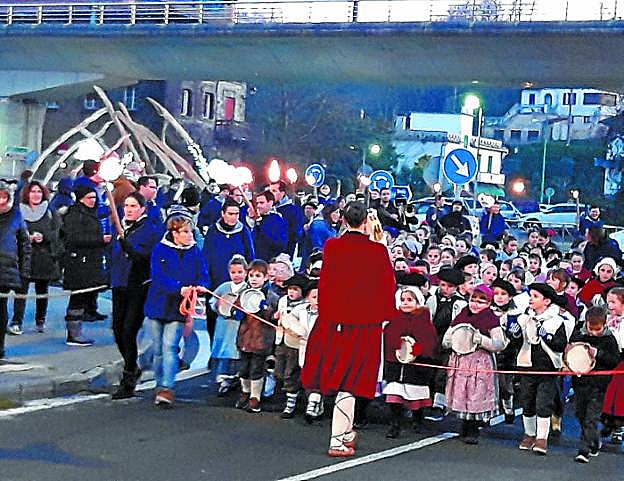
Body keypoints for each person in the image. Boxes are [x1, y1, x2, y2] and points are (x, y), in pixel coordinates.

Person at [301, 201, 396, 457]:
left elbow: (326, 283)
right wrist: (385, 316)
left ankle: (344, 432)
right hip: (365, 325)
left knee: (340, 376)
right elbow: (387, 286)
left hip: (334, 321)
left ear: (343, 220)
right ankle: (338, 438)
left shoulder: (333, 247)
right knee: (352, 381)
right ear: (365, 221)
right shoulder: (377, 251)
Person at [144, 214, 209, 406]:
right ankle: (159, 383)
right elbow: (158, 276)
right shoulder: (160, 249)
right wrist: (178, 288)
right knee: (157, 349)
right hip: (158, 304)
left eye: (191, 232)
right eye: (186, 232)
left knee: (170, 346)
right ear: (174, 233)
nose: (190, 236)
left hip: (179, 308)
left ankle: (167, 387)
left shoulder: (195, 251)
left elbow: (203, 273)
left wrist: (201, 285)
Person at [110, 192, 163, 399]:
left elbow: (143, 257)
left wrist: (128, 246)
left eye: (133, 206)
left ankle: (129, 376)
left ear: (142, 209)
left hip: (138, 287)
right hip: (119, 284)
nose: (129, 210)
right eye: (127, 206)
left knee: (128, 330)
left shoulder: (149, 230)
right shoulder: (119, 227)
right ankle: (131, 365)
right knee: (117, 330)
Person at [509, 283, 568, 455]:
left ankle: (542, 438)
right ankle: (529, 434)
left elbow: (561, 345)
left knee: (543, 403)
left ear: (546, 301)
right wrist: (515, 334)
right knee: (527, 401)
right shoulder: (523, 318)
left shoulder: (556, 321)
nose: (531, 299)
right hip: (527, 366)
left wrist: (547, 336)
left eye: (535, 296)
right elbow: (516, 344)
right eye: (531, 296)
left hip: (547, 369)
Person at [443, 284, 505, 444]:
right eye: (473, 300)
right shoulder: (462, 315)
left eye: (481, 301)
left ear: (489, 303)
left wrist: (482, 340)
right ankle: (464, 423)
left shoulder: (491, 319)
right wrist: (448, 340)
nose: (475, 304)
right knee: (461, 390)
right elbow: (450, 332)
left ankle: (473, 428)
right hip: (461, 360)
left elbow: (499, 344)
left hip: (480, 361)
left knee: (476, 392)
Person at [383, 286, 437, 438]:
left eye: (410, 300)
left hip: (416, 368)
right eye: (402, 300)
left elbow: (429, 342)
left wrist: (416, 350)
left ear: (418, 302)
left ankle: (417, 419)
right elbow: (389, 339)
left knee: (415, 396)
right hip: (396, 365)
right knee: (394, 394)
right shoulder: (394, 320)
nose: (405, 303)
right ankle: (395, 425)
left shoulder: (424, 321)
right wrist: (398, 347)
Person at [61, 184, 110, 346]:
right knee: (77, 297)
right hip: (79, 262)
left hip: (89, 261)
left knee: (82, 297)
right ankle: (73, 333)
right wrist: (100, 240)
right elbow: (73, 238)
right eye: (89, 198)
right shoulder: (75, 215)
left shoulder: (90, 213)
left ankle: (77, 330)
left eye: (94, 198)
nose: (92, 201)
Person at [569, 306, 620, 463]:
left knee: (591, 418)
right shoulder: (579, 336)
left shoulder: (609, 340)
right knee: (580, 414)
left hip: (599, 386)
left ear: (604, 324)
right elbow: (571, 353)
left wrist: (598, 353)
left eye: (598, 329)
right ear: (586, 323)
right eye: (591, 328)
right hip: (580, 383)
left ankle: (583, 450)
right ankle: (594, 440)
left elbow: (614, 361)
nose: (593, 333)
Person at [9, 181, 60, 335]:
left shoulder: (50, 212)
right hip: (23, 257)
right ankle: (16, 322)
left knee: (42, 291)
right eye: (33, 191)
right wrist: (26, 238)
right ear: (27, 194)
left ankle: (40, 320)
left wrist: (44, 237)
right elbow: (11, 231)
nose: (36, 194)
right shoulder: (17, 211)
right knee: (21, 291)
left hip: (44, 257)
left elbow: (57, 232)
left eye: (39, 191)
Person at [425, 267, 466, 421]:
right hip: (432, 338)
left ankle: (439, 404)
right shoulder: (433, 299)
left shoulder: (460, 303)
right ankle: (427, 401)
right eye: (443, 285)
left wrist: (449, 341)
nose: (445, 289)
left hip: (448, 341)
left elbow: (457, 324)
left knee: (442, 374)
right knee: (429, 370)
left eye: (450, 286)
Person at [234, 259, 275, 414]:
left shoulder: (270, 296)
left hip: (261, 340)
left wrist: (267, 310)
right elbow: (235, 311)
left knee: (257, 369)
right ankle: (245, 392)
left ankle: (255, 397)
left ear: (265, 277)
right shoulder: (244, 294)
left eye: (258, 276)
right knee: (243, 368)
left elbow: (274, 317)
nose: (254, 279)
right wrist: (236, 310)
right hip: (245, 338)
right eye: (251, 275)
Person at [0, 181, 31, 360]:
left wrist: (24, 272)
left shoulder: (16, 216)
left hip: (5, 270)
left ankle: (0, 347)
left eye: (3, 197)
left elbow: (24, 246)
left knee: (1, 310)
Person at [209, 255, 249, 396]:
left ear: (246, 272)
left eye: (240, 272)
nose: (236, 275)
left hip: (239, 325)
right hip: (223, 325)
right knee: (223, 351)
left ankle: (237, 377)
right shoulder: (224, 287)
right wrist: (217, 305)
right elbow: (212, 301)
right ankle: (223, 378)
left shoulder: (247, 289)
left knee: (236, 352)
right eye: (233, 272)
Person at [274, 273, 308, 418]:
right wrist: (276, 317)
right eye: (290, 289)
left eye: (295, 289)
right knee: (279, 372)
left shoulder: (305, 306)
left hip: (295, 344)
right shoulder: (282, 301)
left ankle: (291, 402)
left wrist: (293, 327)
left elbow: (303, 327)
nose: (291, 292)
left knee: (291, 373)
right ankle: (291, 393)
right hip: (281, 340)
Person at [602, 287, 624, 444]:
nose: (609, 305)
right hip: (607, 358)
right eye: (608, 302)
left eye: (613, 302)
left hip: (621, 359)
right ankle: (608, 421)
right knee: (607, 393)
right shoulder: (607, 319)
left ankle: (619, 426)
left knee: (619, 395)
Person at [270, 180, 305, 258]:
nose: (271, 194)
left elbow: (296, 233)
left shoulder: (293, 210)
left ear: (282, 193)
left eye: (274, 191)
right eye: (270, 191)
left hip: (285, 253)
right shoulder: (267, 210)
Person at [299, 202, 340, 268]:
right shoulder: (319, 225)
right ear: (329, 212)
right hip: (316, 264)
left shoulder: (330, 227)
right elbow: (317, 247)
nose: (338, 215)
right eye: (336, 212)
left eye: (339, 212)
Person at [252, 191, 288, 262]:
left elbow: (280, 243)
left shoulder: (277, 220)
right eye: (257, 203)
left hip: (269, 260)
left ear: (270, 203)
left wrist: (260, 226)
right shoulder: (255, 219)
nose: (258, 206)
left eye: (261, 203)